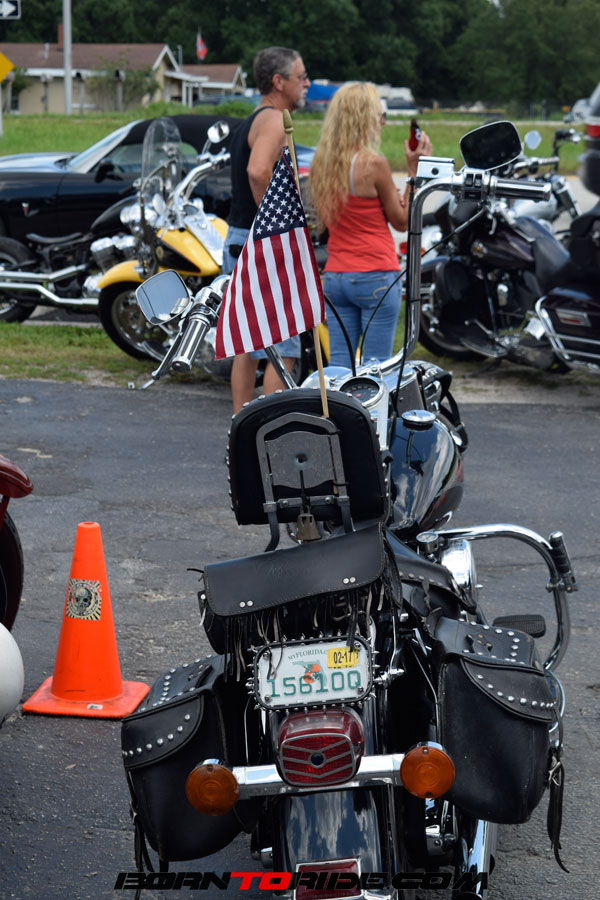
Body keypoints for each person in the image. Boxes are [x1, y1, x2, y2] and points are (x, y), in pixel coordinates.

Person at [309, 81, 432, 367]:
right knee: (376, 368)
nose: (383, 121)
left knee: (340, 365)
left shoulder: (321, 164)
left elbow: (328, 222)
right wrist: (414, 172)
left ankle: (336, 400)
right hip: (375, 273)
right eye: (380, 114)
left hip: (336, 275)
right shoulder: (373, 164)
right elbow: (401, 221)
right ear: (364, 118)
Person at [221, 46, 310, 412]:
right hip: (260, 243)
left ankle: (241, 425)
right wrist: (277, 230)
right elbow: (258, 172)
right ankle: (269, 430)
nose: (307, 84)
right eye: (301, 77)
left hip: (238, 237)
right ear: (279, 81)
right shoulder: (274, 120)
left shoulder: (252, 119)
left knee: (247, 346)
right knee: (283, 346)